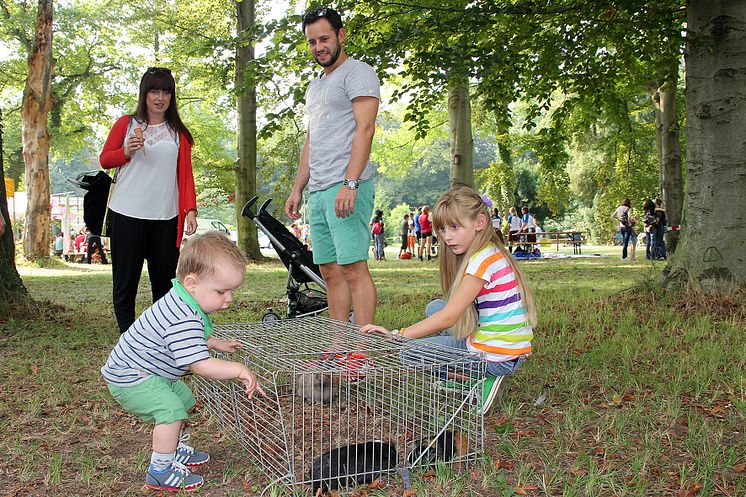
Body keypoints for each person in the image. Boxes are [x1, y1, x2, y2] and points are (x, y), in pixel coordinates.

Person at [102, 232, 264, 492]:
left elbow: (187, 337)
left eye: (232, 291)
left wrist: (214, 342)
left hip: (149, 373)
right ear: (192, 283)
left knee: (185, 399)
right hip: (131, 377)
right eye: (221, 291)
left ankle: (173, 449)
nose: (229, 298)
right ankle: (160, 470)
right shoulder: (183, 316)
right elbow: (200, 365)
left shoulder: (184, 300)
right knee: (171, 411)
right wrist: (240, 370)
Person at [361, 186, 536, 415]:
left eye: (455, 227)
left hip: (496, 356)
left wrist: (397, 336)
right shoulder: (491, 251)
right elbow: (446, 312)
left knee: (408, 352)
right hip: (511, 349)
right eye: (442, 229)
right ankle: (478, 372)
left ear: (480, 222)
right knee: (435, 307)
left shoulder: (481, 261)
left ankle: (479, 379)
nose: (447, 236)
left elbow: (449, 317)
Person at [284, 7, 380, 325]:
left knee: (353, 268)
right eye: (312, 42)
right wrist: (298, 187)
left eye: (324, 38)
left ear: (341, 35)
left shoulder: (358, 73)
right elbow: (312, 140)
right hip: (320, 191)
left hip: (347, 186)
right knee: (329, 271)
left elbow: (366, 129)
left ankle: (361, 353)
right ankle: (340, 349)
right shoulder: (315, 87)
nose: (318, 47)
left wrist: (350, 183)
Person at [100, 67, 198, 334]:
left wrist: (190, 209)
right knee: (125, 282)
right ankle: (127, 339)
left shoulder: (179, 133)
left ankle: (161, 338)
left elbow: (186, 177)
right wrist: (126, 151)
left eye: (166, 91)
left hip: (165, 218)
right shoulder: (126, 123)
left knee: (165, 284)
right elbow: (105, 159)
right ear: (144, 94)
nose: (160, 97)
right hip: (126, 214)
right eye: (154, 90)